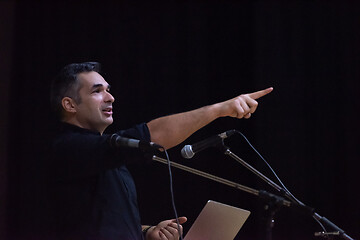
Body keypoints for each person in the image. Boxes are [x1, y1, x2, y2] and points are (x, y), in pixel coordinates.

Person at [48, 62, 273, 240]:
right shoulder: (68, 147)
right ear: (70, 105)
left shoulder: (104, 155)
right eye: (97, 91)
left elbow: (105, 223)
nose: (110, 97)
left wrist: (147, 232)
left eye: (108, 90)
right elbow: (152, 134)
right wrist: (219, 110)